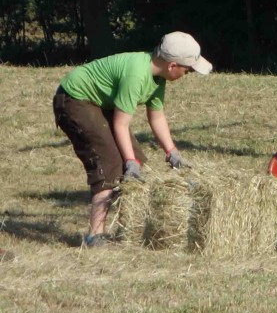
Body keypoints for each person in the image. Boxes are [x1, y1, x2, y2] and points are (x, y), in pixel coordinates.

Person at [53, 31, 212, 248]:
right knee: (109, 164)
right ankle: (95, 237)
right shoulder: (137, 74)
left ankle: (130, 231)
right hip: (74, 99)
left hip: (101, 104)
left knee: (140, 165)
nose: (188, 74)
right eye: (188, 69)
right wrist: (129, 162)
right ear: (172, 65)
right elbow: (120, 124)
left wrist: (171, 152)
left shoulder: (158, 77)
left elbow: (156, 116)